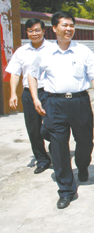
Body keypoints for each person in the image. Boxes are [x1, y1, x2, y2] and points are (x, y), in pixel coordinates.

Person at [28, 11, 94, 209]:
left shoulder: (83, 51)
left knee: (85, 141)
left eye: (71, 25)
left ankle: (82, 165)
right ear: (54, 28)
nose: (69, 29)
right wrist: (36, 98)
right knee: (59, 147)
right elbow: (32, 75)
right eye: (64, 25)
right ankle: (66, 190)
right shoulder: (44, 53)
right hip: (54, 103)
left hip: (79, 102)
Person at [6, 18, 52, 174]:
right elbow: (15, 73)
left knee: (52, 125)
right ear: (27, 32)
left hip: (49, 92)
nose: (34, 34)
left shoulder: (53, 49)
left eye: (37, 30)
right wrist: (13, 93)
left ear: (44, 31)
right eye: (31, 31)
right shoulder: (21, 51)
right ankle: (42, 159)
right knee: (33, 128)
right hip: (28, 93)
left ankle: (56, 148)